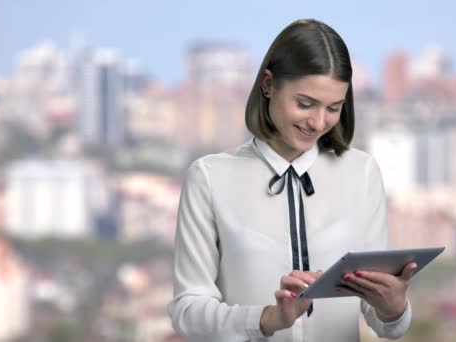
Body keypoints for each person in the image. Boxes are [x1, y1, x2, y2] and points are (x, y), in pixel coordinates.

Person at [167, 18, 417, 341]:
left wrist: (393, 307)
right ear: (268, 85)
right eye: (305, 103)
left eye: (333, 107)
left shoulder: (362, 172)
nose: (317, 122)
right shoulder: (208, 178)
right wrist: (267, 319)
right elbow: (188, 312)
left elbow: (384, 324)